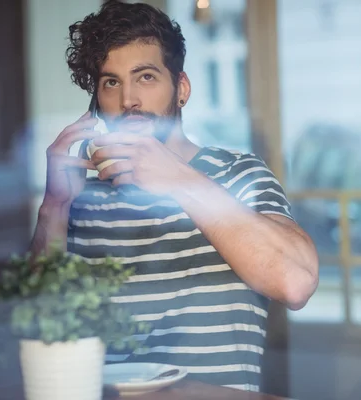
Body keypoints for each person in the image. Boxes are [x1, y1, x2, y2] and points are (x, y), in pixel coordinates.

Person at [29, 0, 318, 392]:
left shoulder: (237, 173)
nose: (128, 99)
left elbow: (295, 284)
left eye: (145, 77)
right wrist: (54, 208)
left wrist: (179, 179)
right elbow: (40, 328)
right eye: (111, 82)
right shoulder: (82, 198)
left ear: (180, 89)